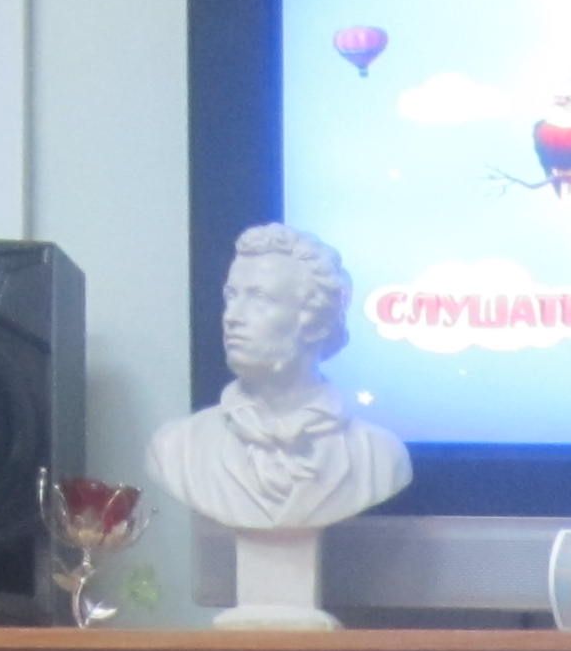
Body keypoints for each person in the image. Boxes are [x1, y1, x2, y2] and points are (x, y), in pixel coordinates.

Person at [147, 223, 414, 535]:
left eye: (259, 298)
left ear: (316, 321)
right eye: (231, 296)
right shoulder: (178, 448)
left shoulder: (378, 457)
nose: (231, 316)